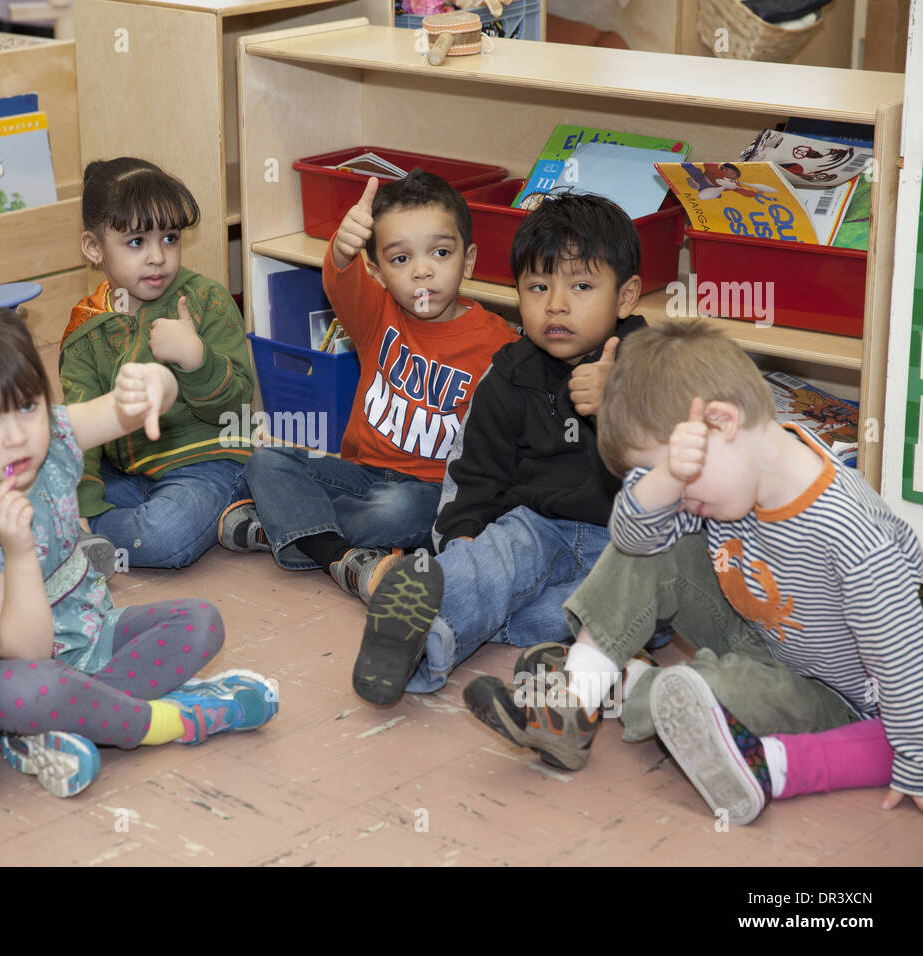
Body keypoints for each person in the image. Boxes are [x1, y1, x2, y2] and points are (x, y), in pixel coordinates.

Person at [463, 321, 923, 824]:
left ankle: (629, 684)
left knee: (700, 698)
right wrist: (664, 481)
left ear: (723, 424)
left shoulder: (847, 529)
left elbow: (901, 653)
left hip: (842, 697)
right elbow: (636, 540)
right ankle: (578, 696)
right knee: (654, 545)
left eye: (685, 486)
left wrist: (915, 758)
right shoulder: (729, 476)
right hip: (763, 640)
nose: (683, 500)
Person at [0, 305, 279, 798]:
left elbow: (132, 406)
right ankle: (168, 719)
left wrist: (154, 383)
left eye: (27, 406)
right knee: (24, 690)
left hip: (88, 641)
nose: (18, 435)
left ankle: (67, 727)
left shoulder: (57, 438)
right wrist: (19, 554)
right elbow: (26, 652)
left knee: (201, 621)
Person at [352, 193, 646, 704]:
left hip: (624, 540)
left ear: (626, 297)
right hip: (534, 526)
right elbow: (475, 473)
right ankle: (422, 638)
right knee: (489, 563)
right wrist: (462, 541)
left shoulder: (654, 366)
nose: (556, 304)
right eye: (537, 287)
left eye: (581, 286)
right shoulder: (508, 372)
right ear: (517, 293)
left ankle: (523, 627)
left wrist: (620, 404)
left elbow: (684, 469)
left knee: (619, 606)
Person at [226, 171, 518, 602]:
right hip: (356, 473)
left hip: (428, 491)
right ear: (378, 272)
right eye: (400, 259)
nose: (422, 271)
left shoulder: (499, 344)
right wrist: (343, 248)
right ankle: (342, 557)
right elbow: (339, 276)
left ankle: (282, 529)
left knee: (398, 511)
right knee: (267, 461)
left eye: (440, 252)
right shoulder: (374, 312)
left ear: (468, 260)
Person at [61, 157, 254, 570]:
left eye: (169, 238)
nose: (157, 257)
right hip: (130, 474)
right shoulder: (86, 328)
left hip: (207, 464)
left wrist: (196, 359)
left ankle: (82, 539)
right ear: (94, 248)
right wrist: (80, 507)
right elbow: (82, 432)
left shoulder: (207, 300)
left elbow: (237, 407)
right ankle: (85, 528)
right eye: (136, 242)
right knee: (42, 485)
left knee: (164, 535)